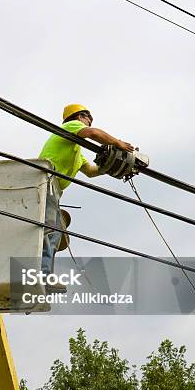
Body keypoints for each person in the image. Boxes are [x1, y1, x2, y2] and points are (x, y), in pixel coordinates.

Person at [39, 104, 134, 278]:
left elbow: (91, 171)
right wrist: (117, 143)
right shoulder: (69, 127)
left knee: (54, 232)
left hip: (52, 189)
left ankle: (44, 274)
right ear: (77, 117)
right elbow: (94, 134)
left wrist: (110, 165)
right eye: (87, 117)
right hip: (45, 182)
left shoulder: (75, 151)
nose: (89, 121)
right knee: (50, 231)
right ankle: (43, 275)